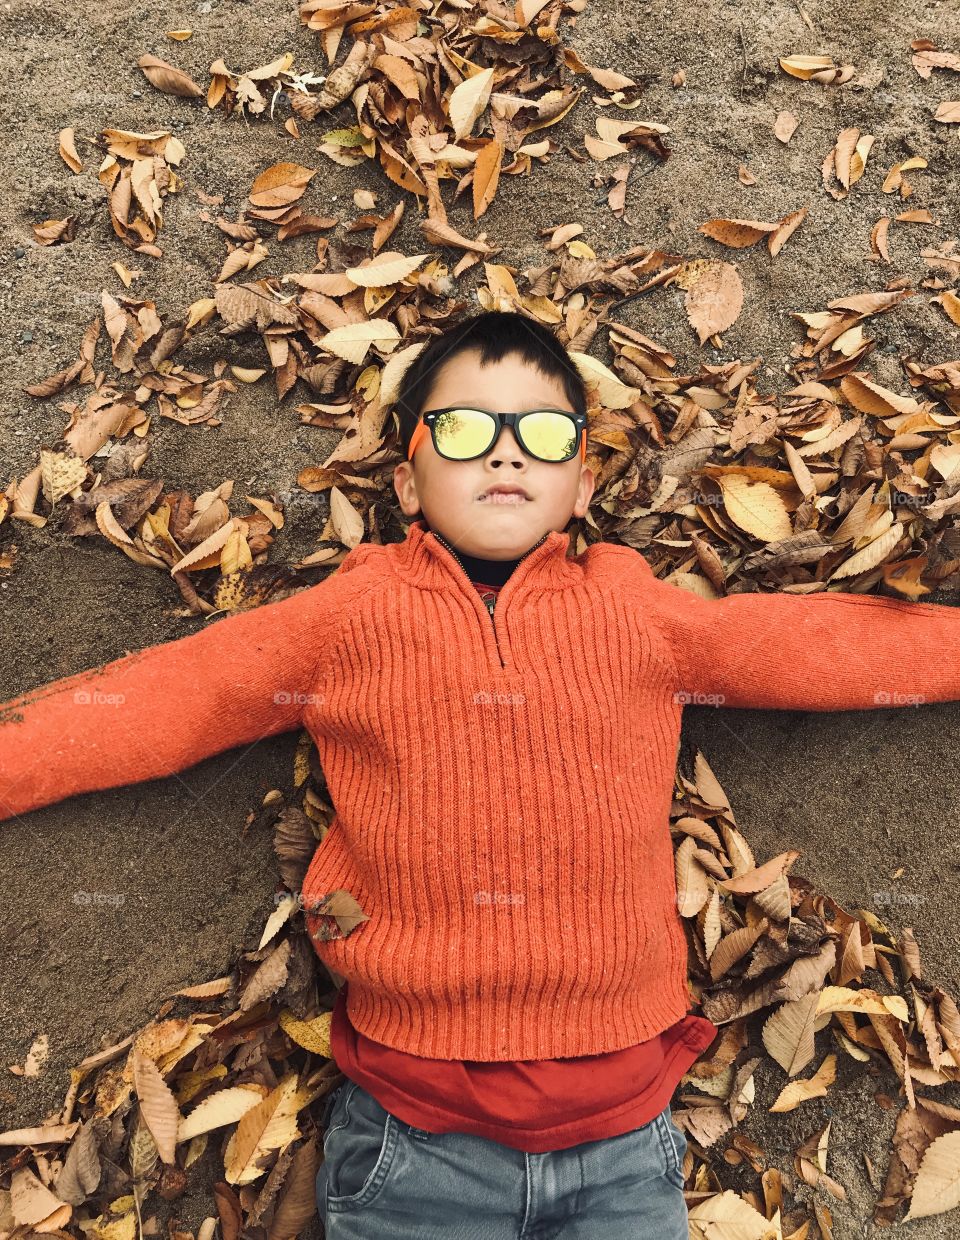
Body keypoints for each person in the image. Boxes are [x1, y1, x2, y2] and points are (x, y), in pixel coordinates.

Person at [3, 310, 960, 1238]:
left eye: (543, 434)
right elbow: (179, 696)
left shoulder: (638, 613)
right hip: (414, 1137)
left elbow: (806, 650)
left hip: (623, 1141)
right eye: (462, 429)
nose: (505, 453)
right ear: (409, 482)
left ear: (581, 486)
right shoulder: (347, 620)